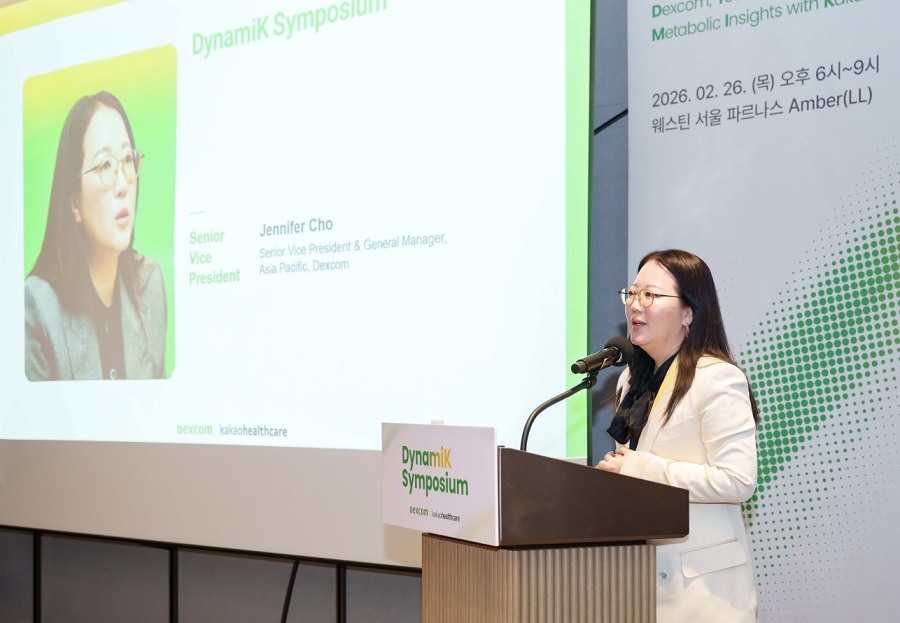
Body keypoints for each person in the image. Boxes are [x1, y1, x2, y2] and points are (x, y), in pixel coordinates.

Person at [597, 249, 758, 622]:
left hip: (703, 593)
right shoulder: (629, 381)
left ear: (689, 312)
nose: (635, 304)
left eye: (650, 295)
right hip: (638, 583)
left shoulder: (717, 378)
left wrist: (638, 468)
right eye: (631, 293)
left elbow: (737, 480)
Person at [25, 91, 167, 381]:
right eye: (105, 166)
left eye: (127, 160)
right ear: (75, 202)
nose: (123, 184)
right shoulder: (39, 307)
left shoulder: (150, 283)